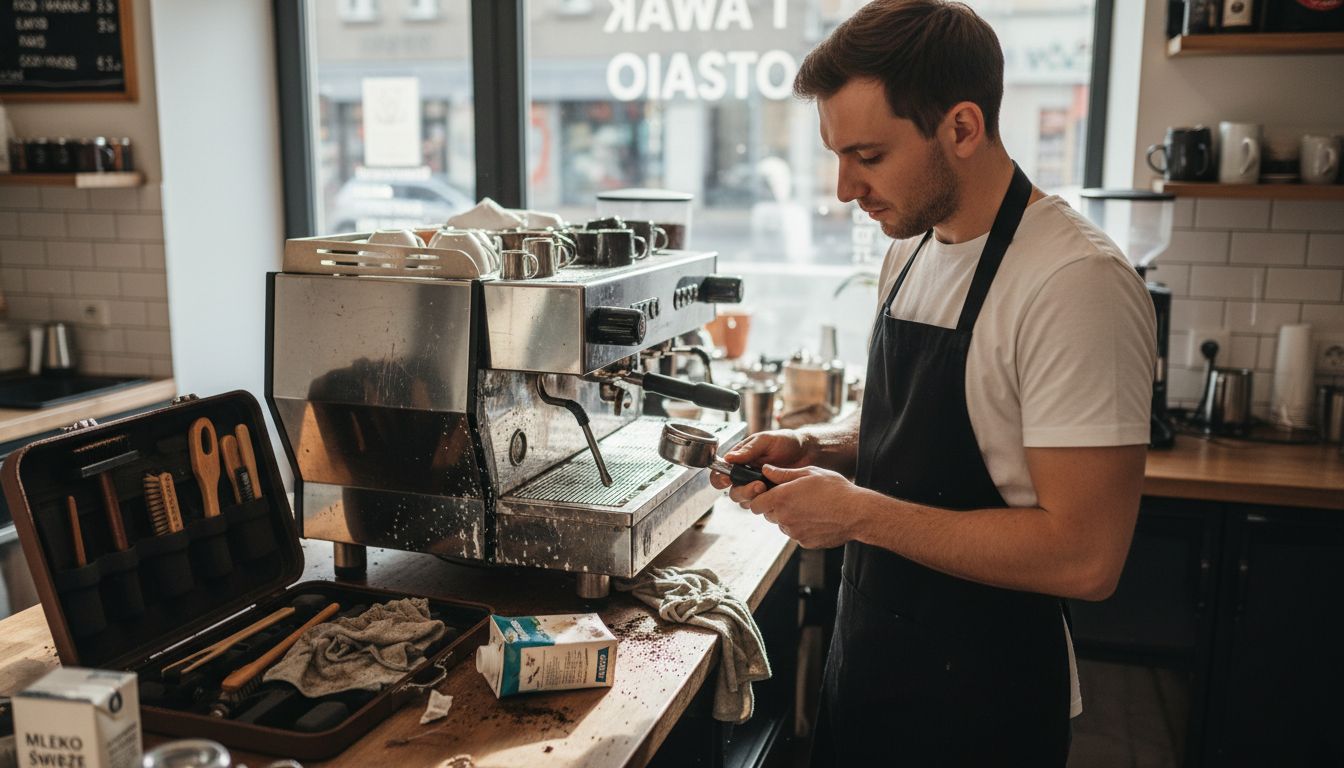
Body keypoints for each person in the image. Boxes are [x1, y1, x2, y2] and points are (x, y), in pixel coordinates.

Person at [710, 1, 1156, 764]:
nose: (845, 188)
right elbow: (933, 434)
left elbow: (1086, 557)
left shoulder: (1073, 279)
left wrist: (857, 517)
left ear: (962, 127)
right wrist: (824, 451)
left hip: (986, 705)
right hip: (872, 664)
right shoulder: (911, 247)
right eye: (836, 155)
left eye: (869, 156)